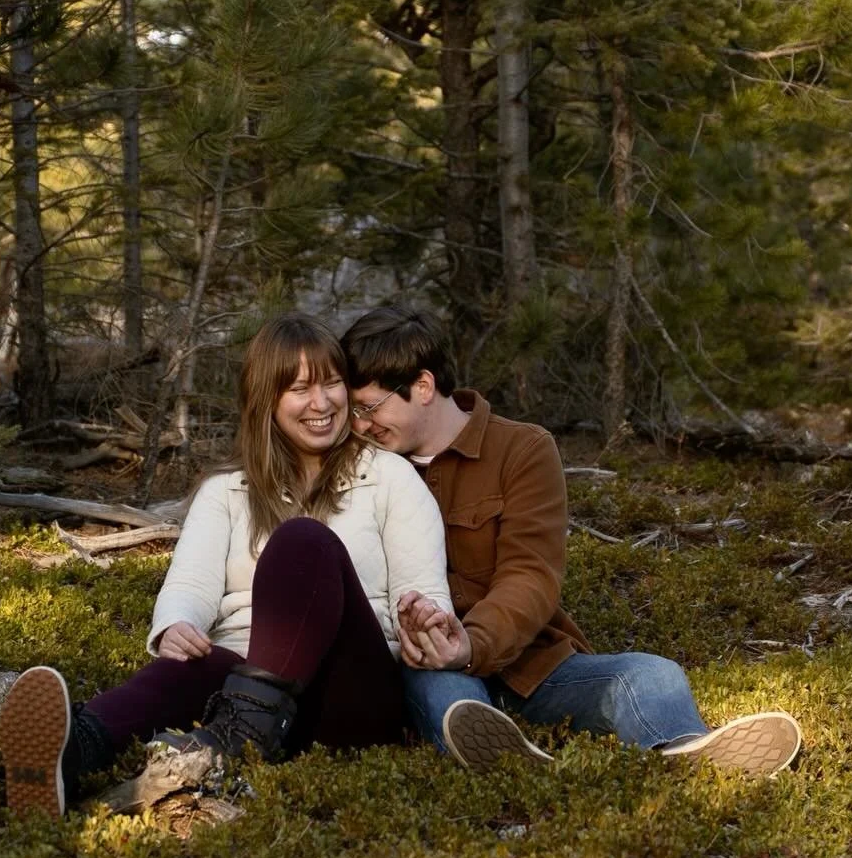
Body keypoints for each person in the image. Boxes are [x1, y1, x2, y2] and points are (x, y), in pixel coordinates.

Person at [0, 312, 455, 817]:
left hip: (353, 699)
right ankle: (72, 754)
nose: (322, 403)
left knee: (304, 541)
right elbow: (191, 583)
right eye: (300, 388)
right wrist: (176, 624)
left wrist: (421, 616)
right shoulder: (227, 492)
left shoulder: (391, 478)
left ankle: (240, 736)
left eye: (332, 383)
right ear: (267, 399)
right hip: (244, 685)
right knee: (199, 659)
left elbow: (425, 593)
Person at [341, 306, 802, 778]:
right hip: (430, 669)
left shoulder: (521, 450)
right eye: (353, 411)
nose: (359, 426)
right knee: (449, 699)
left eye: (370, 408)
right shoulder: (362, 468)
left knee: (651, 674)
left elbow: (532, 575)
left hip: (530, 666)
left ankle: (687, 754)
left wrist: (472, 645)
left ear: (421, 387)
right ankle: (513, 767)